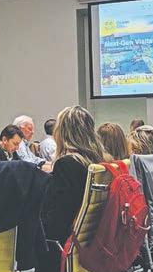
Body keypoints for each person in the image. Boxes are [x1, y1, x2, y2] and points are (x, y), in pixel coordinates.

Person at [43, 105, 107, 245]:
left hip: (63, 244)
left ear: (63, 132)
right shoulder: (99, 162)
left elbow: (57, 221)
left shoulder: (67, 165)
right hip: (89, 241)